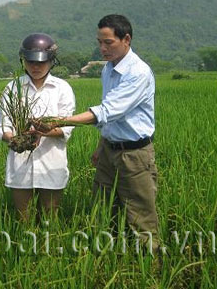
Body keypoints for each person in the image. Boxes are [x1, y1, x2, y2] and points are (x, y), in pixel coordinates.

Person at [62, 15, 159, 252]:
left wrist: (60, 121)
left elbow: (107, 110)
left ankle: (151, 269)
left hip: (134, 154)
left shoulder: (138, 72)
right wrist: (100, 145)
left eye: (108, 43)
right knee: (104, 207)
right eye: (99, 42)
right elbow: (111, 117)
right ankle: (110, 257)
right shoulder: (108, 69)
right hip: (109, 149)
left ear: (126, 39)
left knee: (140, 215)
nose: (102, 48)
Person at [0, 33, 75, 220]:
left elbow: (66, 128)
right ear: (23, 61)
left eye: (41, 62)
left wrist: (42, 131)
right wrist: (13, 138)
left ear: (52, 61)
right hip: (20, 165)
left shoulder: (62, 88)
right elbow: (3, 126)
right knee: (24, 220)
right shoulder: (12, 88)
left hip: (51, 165)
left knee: (50, 219)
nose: (36, 67)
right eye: (31, 62)